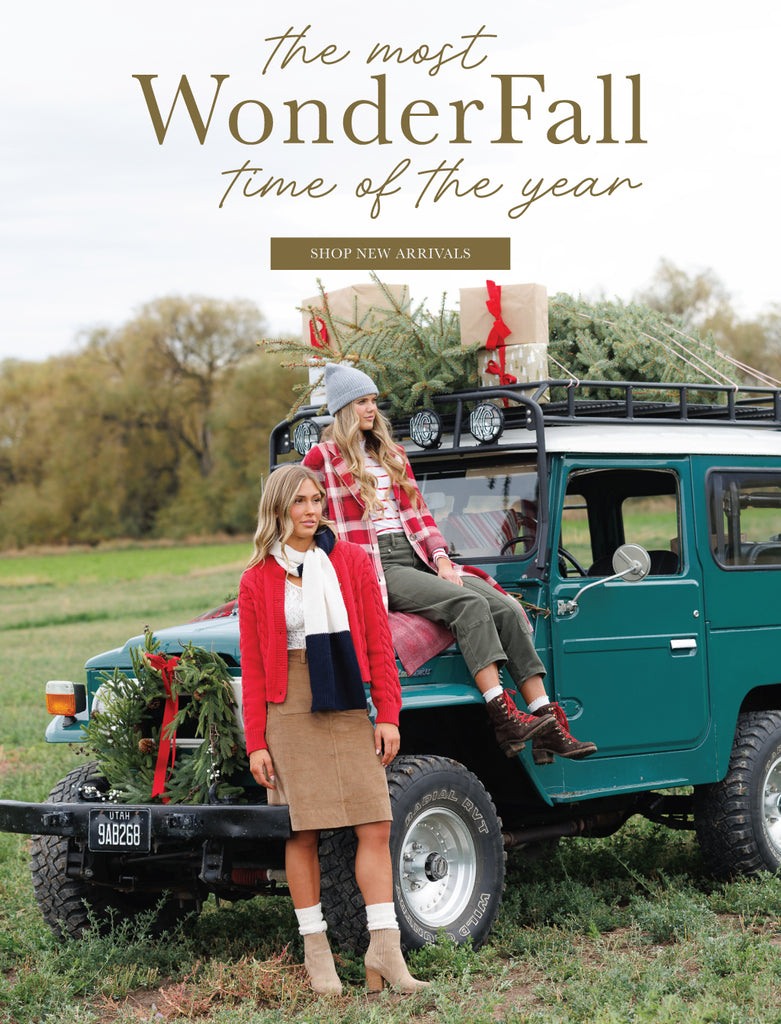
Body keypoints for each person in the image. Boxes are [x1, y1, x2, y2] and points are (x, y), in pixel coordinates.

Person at [303, 363, 597, 765]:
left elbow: (419, 515)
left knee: (506, 608)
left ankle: (547, 723)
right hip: (376, 563)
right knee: (469, 606)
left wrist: (441, 559)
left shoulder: (392, 453)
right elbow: (303, 512)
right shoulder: (322, 459)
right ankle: (503, 715)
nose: (371, 409)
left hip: (417, 554)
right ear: (342, 409)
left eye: (372, 401)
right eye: (361, 402)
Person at [238, 464, 428, 997]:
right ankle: (316, 952)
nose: (311, 510)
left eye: (317, 499)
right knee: (303, 831)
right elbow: (253, 669)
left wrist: (387, 713)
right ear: (277, 510)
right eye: (299, 501)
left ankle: (384, 951)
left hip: (345, 699)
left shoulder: (352, 561)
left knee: (376, 823)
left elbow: (377, 644)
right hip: (289, 708)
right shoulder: (256, 580)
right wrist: (256, 741)